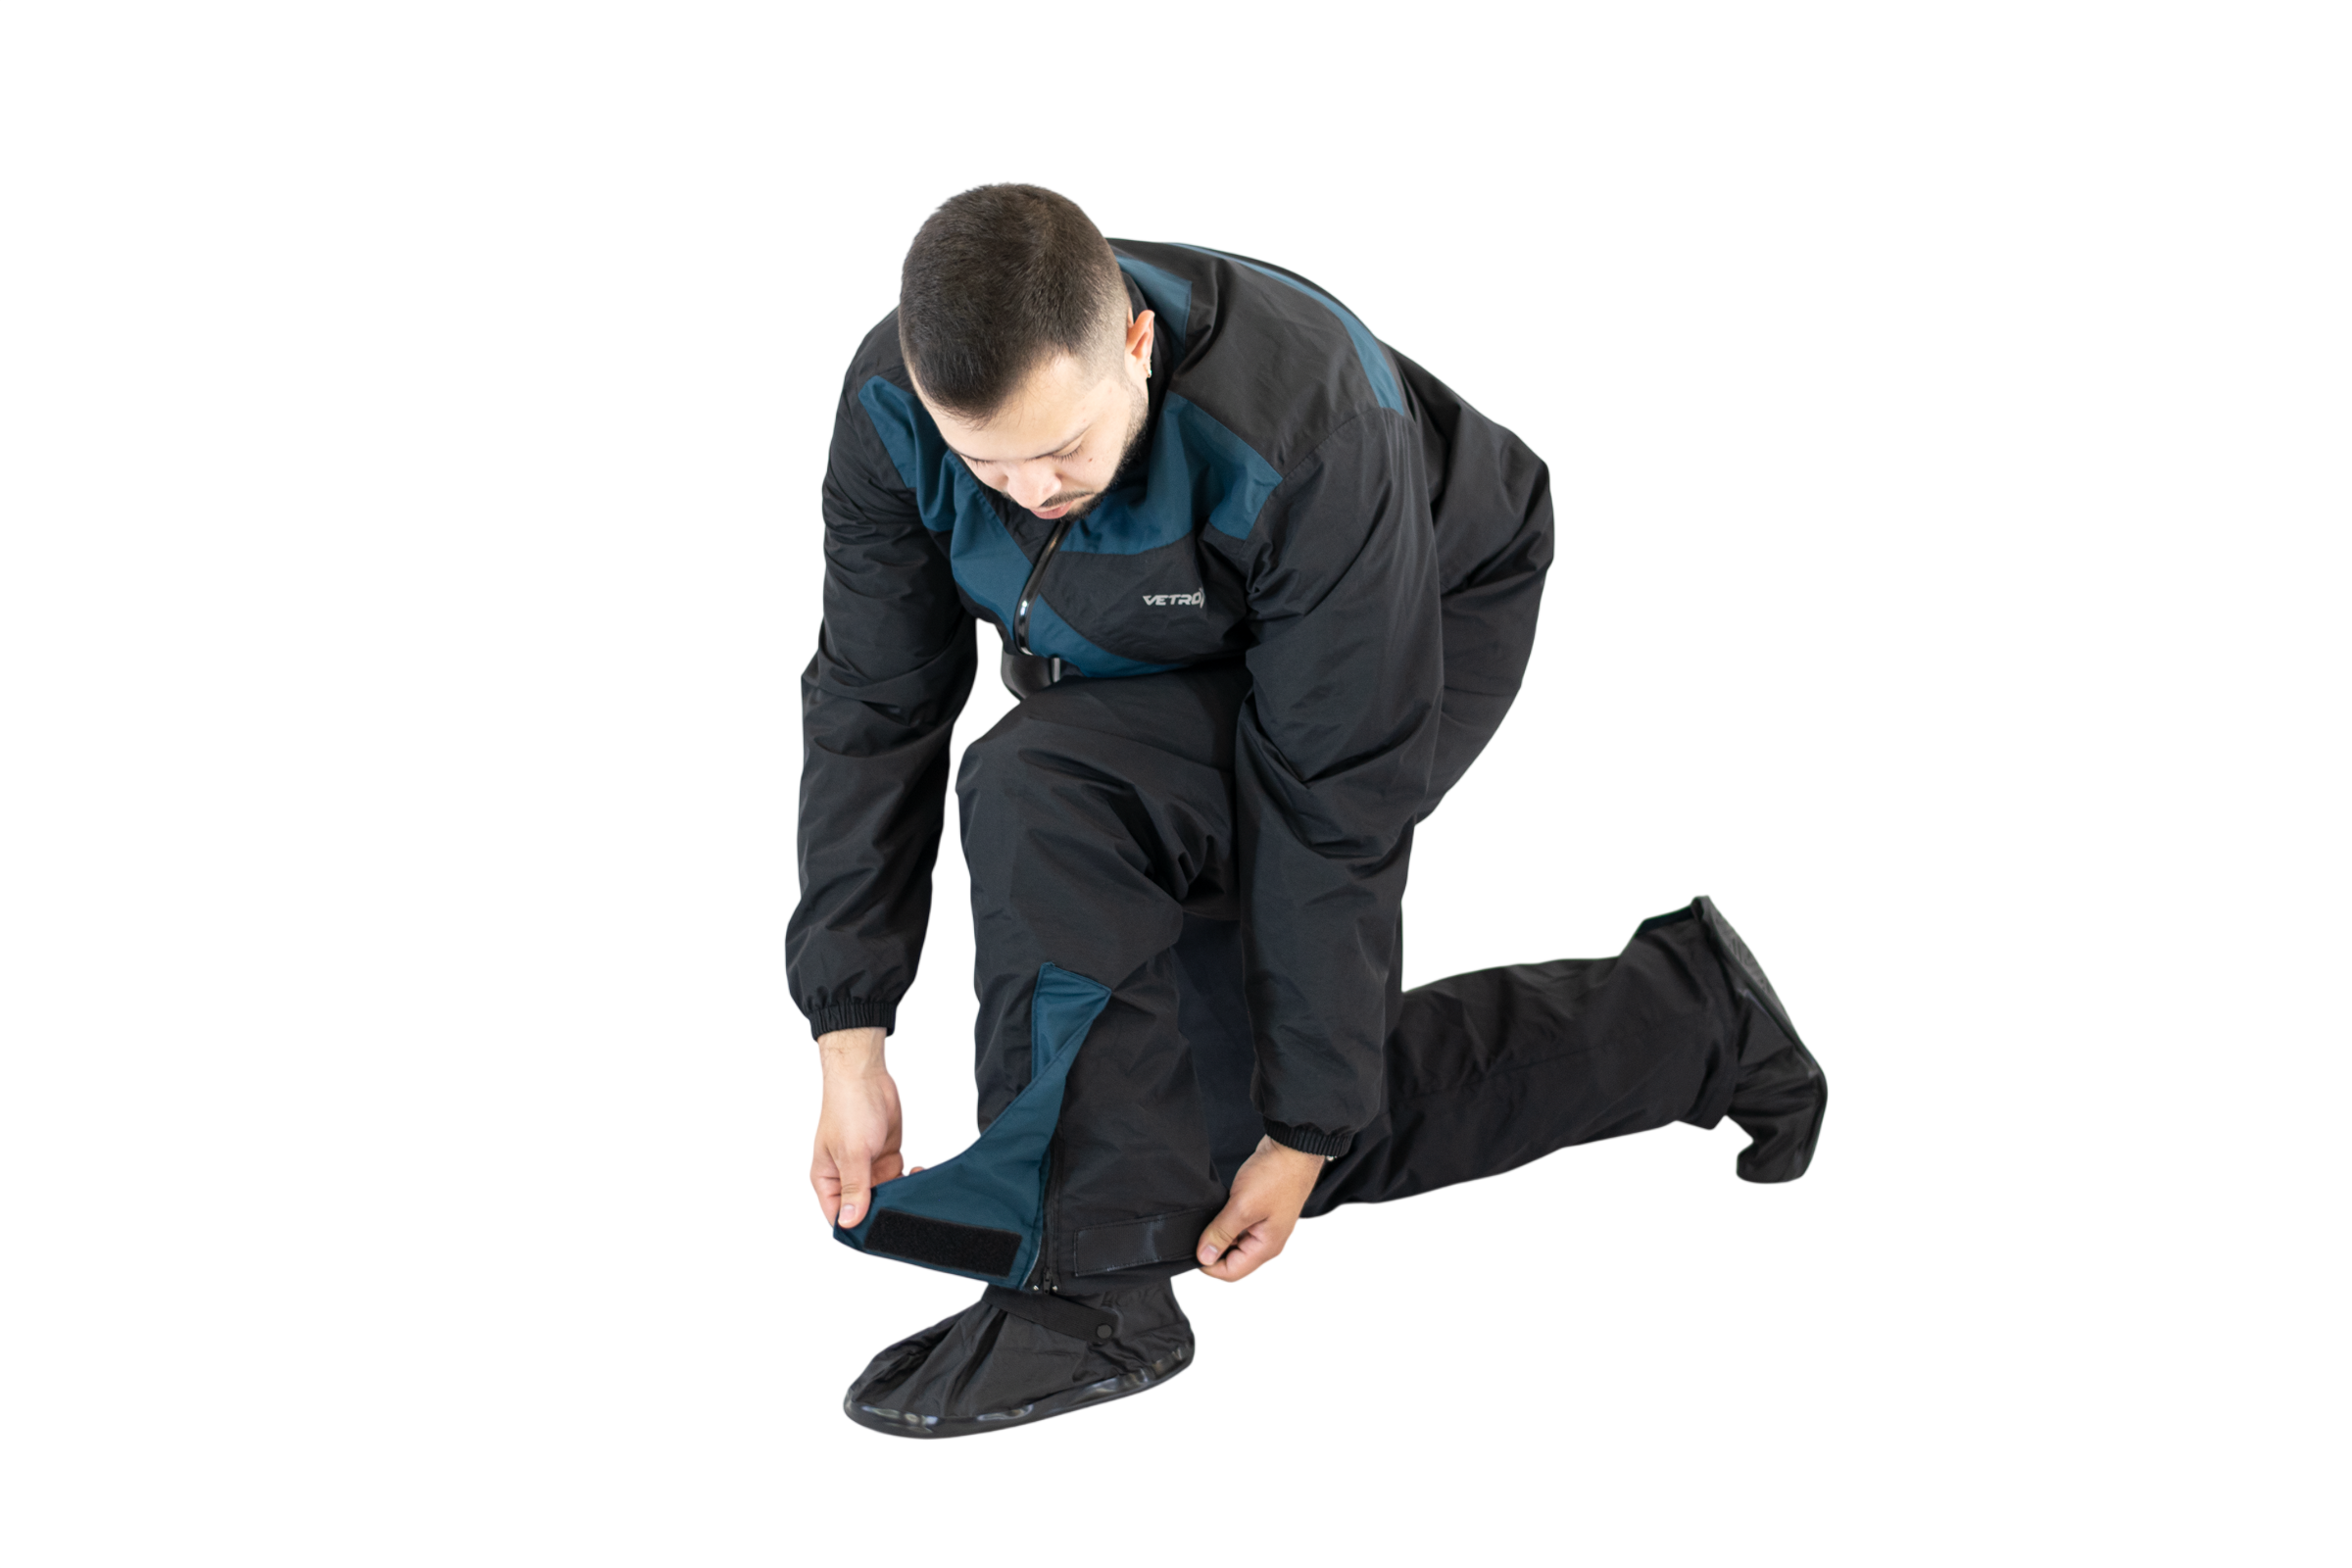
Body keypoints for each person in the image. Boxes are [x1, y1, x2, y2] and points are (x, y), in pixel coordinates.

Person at [787, 182, 1829, 1441]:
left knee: (1045, 795)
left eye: (1060, 451)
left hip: (1410, 607)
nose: (1027, 493)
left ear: (1135, 344)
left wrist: (1307, 1127)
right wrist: (850, 1038)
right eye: (985, 465)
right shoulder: (891, 403)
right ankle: (1694, 1021)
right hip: (1152, 636)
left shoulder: (1311, 430)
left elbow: (1328, 810)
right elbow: (873, 706)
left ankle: (1088, 1294)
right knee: (1191, 1133)